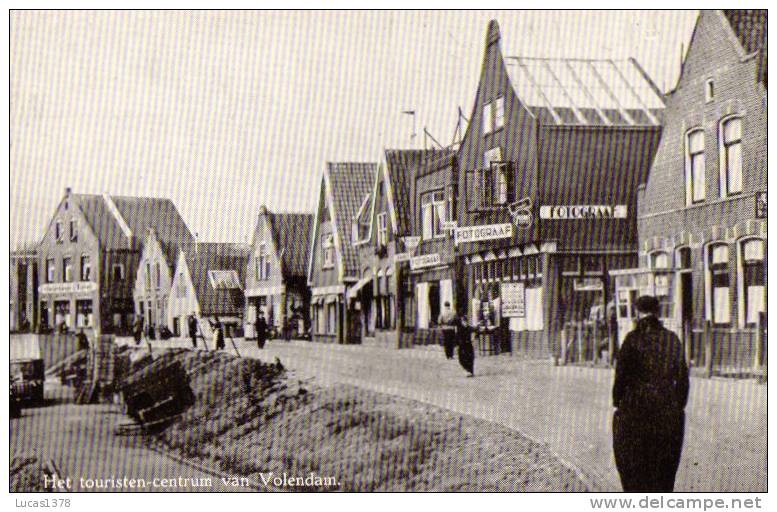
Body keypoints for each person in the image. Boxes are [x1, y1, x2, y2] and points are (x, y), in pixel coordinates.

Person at [612, 295, 689, 492]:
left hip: (635, 412)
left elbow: (620, 378)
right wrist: (677, 405)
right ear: (658, 312)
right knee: (664, 472)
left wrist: (618, 401)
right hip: (666, 411)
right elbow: (682, 379)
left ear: (637, 313)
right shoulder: (672, 339)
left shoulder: (631, 340)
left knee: (634, 470)